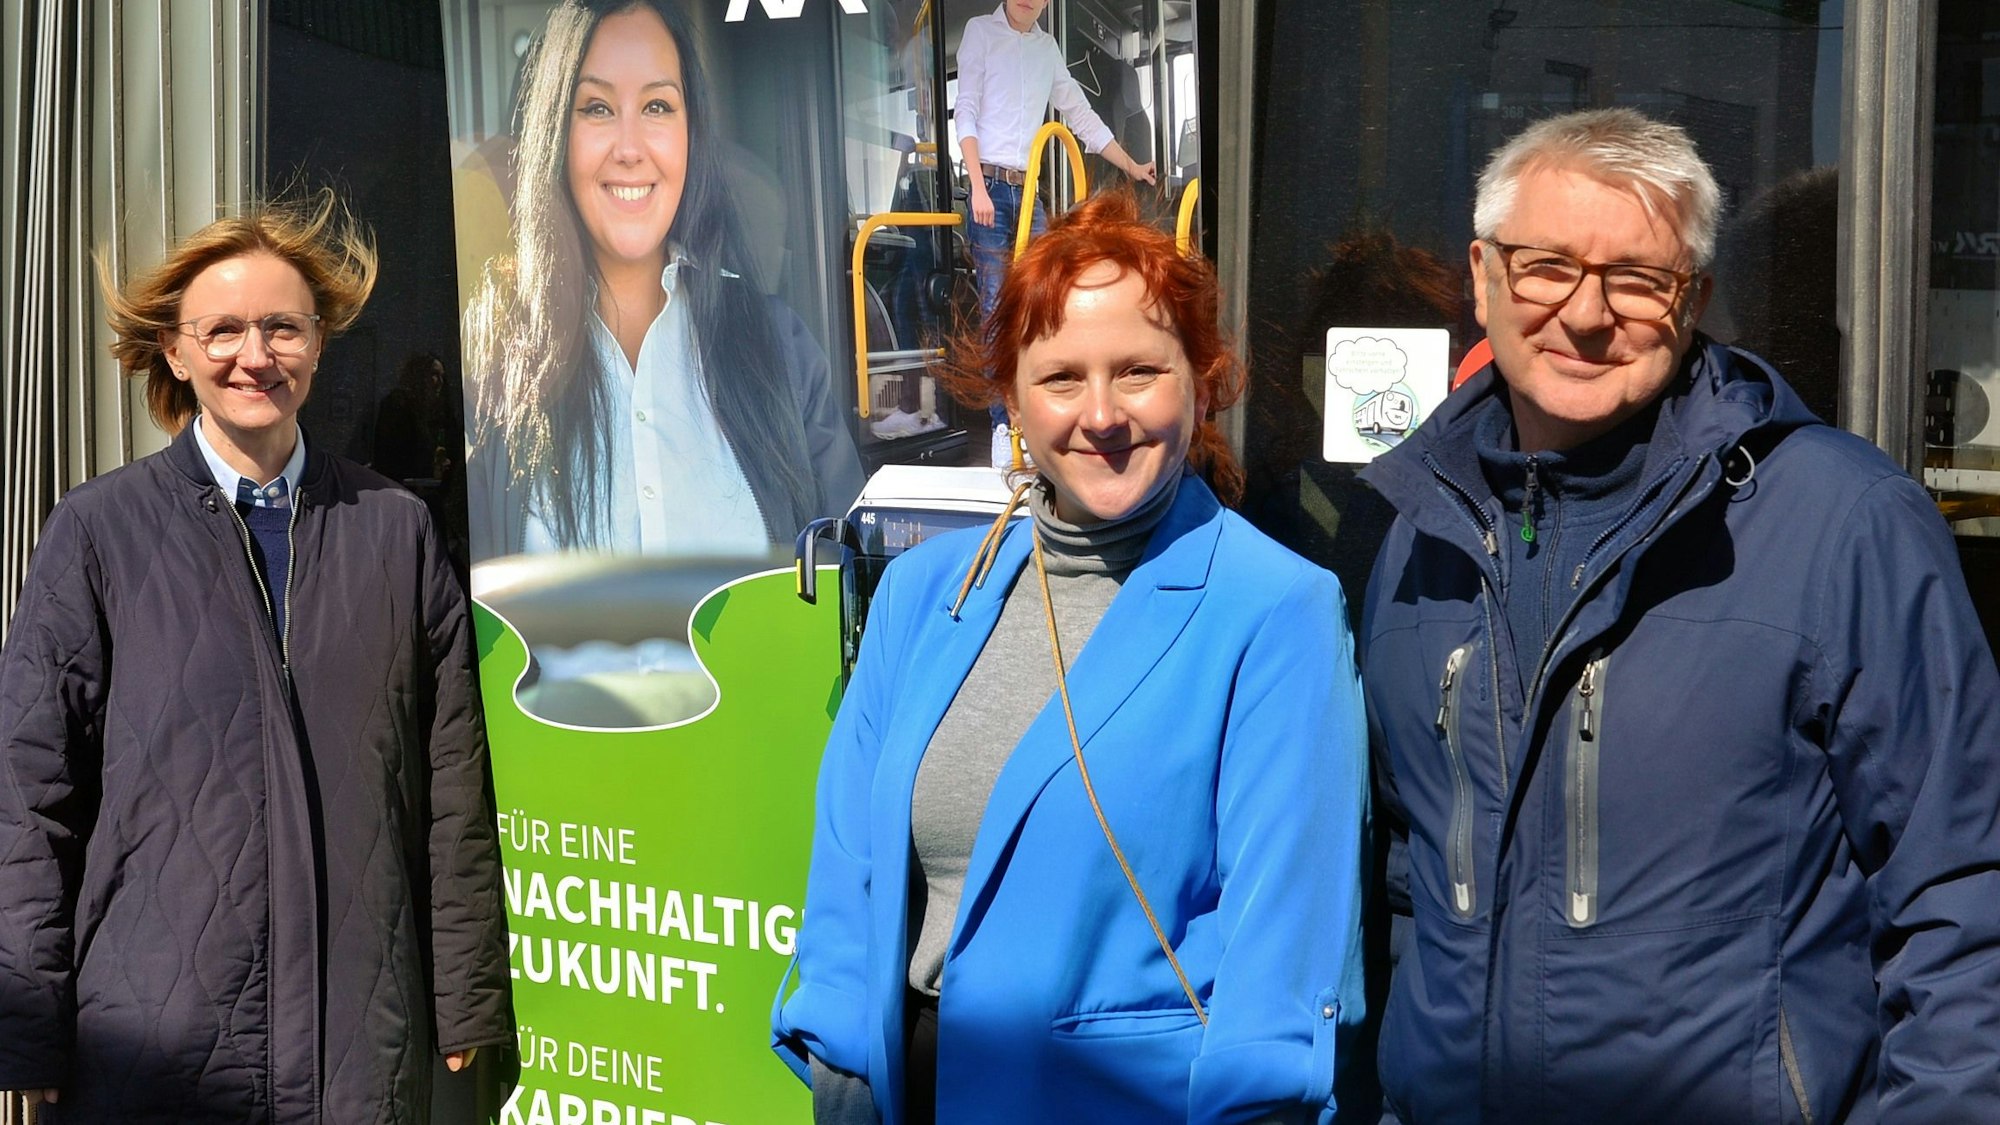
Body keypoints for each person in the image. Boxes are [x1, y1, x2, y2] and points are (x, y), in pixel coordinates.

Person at [1359, 107, 2000, 1122]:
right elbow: (1415, 890)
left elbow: (1961, 894)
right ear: (1482, 276)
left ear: (1691, 300)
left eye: (1635, 279)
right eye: (1545, 266)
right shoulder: (1420, 536)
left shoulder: (1840, 525)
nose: (1582, 312)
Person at [773, 190, 1370, 1124]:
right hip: (904, 1093)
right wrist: (841, 1072)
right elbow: (847, 865)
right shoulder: (929, 593)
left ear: (1202, 381)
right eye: (1060, 378)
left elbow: (1283, 953)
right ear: (1010, 394)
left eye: (1138, 371)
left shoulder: (1276, 611)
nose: (1102, 414)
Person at [0, 191, 514, 1120]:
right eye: (224, 329)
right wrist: (25, 1026)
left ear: (318, 343)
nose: (255, 354)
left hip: (360, 1042)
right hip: (157, 1046)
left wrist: (469, 1002)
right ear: (178, 350)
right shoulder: (97, 533)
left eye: (283, 327)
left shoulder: (393, 531)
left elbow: (453, 794)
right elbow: (30, 799)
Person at [464, 0, 864, 561]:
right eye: (597, 108)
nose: (630, 149)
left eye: (657, 105)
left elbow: (853, 579)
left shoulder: (781, 350)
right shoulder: (492, 369)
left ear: (691, 134)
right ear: (555, 132)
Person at [955, 0, 1158, 466]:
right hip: (989, 189)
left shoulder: (1047, 49)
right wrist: (977, 188)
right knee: (994, 308)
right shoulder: (980, 33)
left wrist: (1133, 166)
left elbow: (1081, 116)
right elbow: (964, 110)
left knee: (1049, 301)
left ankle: (1042, 417)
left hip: (1029, 193)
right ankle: (1003, 427)